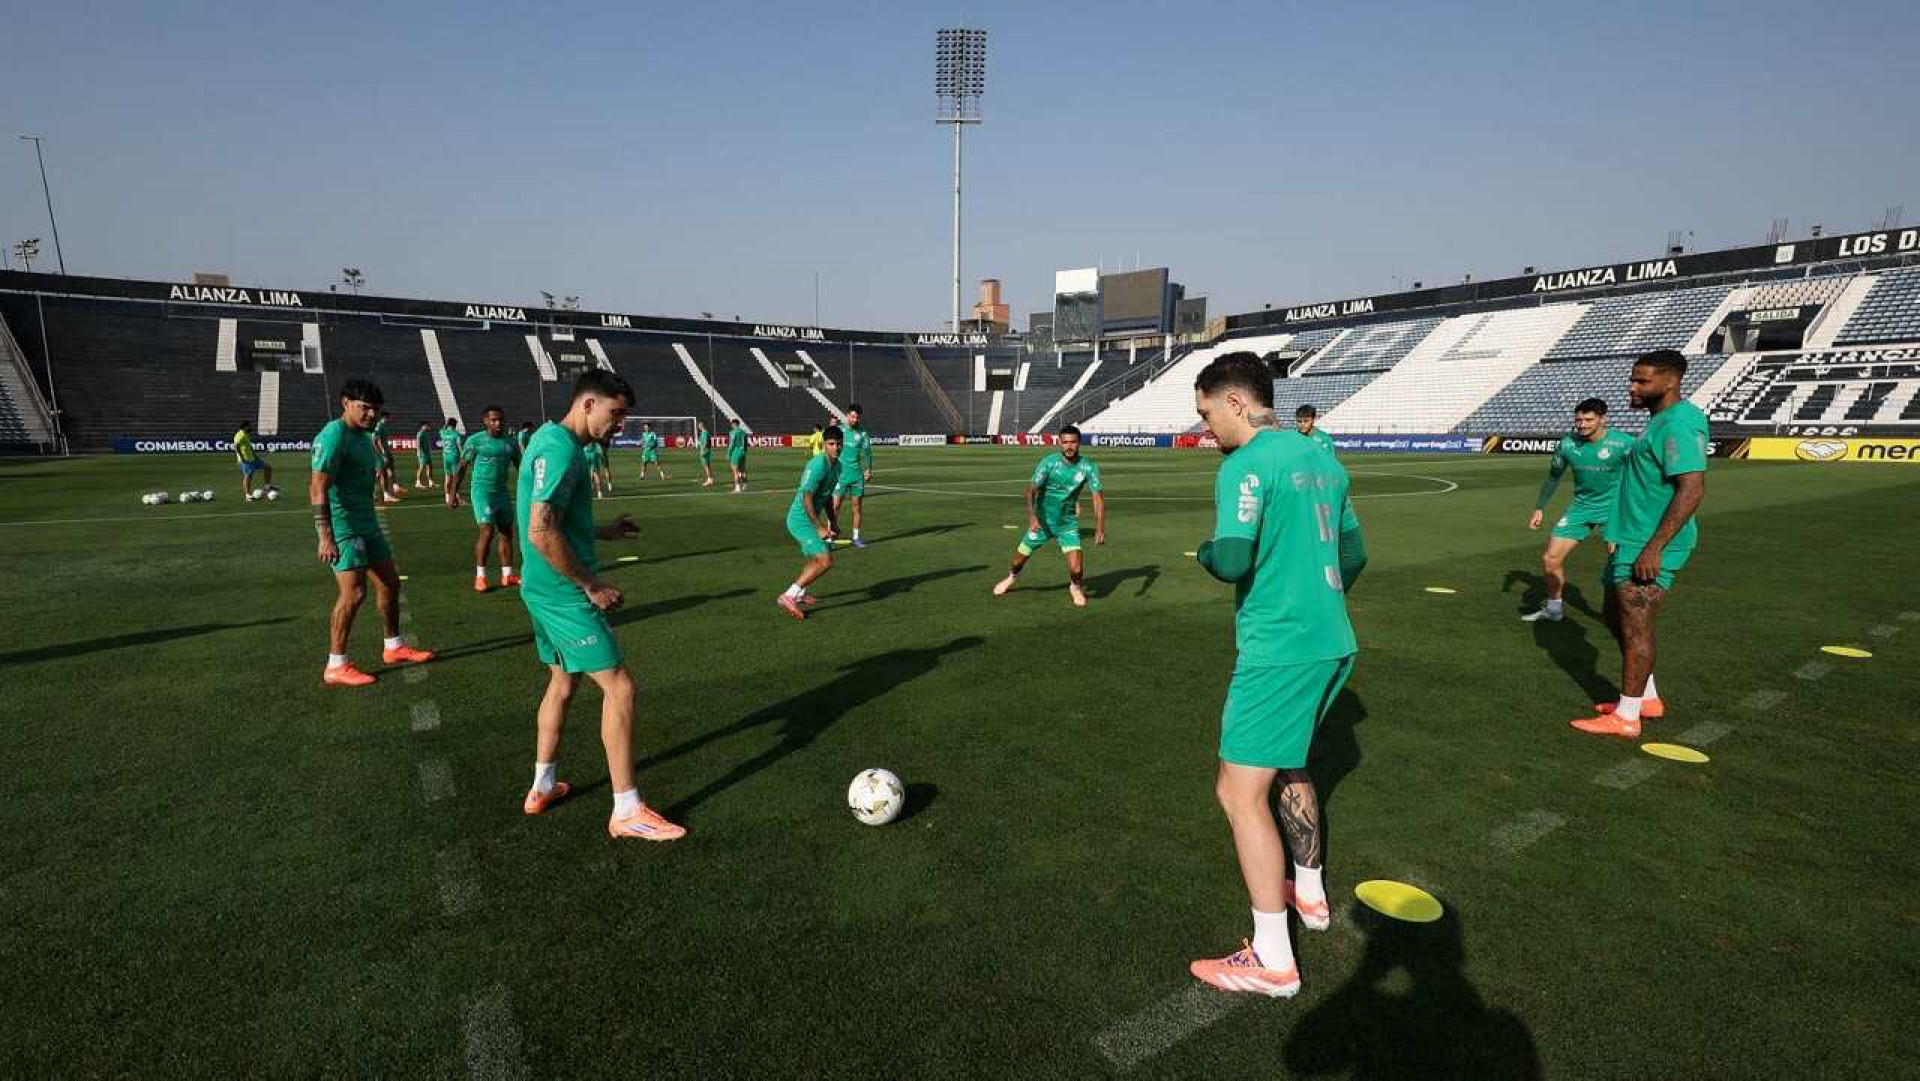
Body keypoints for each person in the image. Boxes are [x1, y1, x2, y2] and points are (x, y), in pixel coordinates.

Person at [1185, 352, 1366, 999]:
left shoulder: (1247, 462)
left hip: (1280, 647)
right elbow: (1355, 553)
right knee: (1287, 763)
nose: (1207, 429)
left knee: (1238, 792)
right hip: (1330, 639)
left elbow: (1232, 559)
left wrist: (1207, 552)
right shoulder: (1321, 456)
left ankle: (1273, 957)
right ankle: (1309, 896)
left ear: (1236, 403)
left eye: (1207, 415)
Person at [516, 369, 683, 842]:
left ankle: (541, 787)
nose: (621, 424)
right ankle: (626, 809)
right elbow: (540, 529)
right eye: (617, 413)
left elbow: (557, 523)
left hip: (540, 588)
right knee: (621, 688)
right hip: (563, 594)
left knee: (562, 683)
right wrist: (590, 584)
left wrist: (603, 532)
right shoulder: (559, 449)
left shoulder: (553, 440)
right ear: (588, 404)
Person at [1571, 350, 1708, 738]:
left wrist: (1655, 547)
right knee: (1614, 614)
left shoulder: (1679, 423)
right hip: (1630, 538)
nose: (1632, 388)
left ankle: (1627, 717)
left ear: (1671, 382)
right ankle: (1645, 697)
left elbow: (1692, 487)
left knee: (1636, 626)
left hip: (1649, 543)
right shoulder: (1659, 421)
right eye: (1633, 379)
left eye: (1641, 381)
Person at [309, 380, 436, 687]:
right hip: (344, 526)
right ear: (345, 403)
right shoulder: (333, 436)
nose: (370, 415)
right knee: (353, 593)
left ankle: (393, 647)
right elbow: (317, 488)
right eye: (364, 407)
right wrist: (325, 534)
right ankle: (336, 665)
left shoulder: (363, 436)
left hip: (367, 523)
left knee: (390, 584)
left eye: (375, 409)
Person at [1520, 399, 1635, 622]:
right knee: (1550, 559)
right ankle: (1554, 609)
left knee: (1618, 564)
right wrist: (1539, 508)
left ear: (1603, 419)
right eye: (1578, 420)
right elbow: (1553, 477)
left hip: (1615, 508)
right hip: (1582, 507)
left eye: (1588, 420)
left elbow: (1643, 477)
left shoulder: (1624, 444)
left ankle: (1620, 615)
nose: (1581, 425)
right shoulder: (1567, 445)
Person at [992, 425, 1107, 607]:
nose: (1069, 446)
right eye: (1065, 442)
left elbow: (1098, 499)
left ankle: (1075, 587)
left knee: (1077, 570)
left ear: (1079, 443)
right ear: (1059, 443)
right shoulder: (1048, 463)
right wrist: (1032, 517)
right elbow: (1030, 491)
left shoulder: (1088, 467)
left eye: (1073, 442)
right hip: (1042, 523)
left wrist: (1100, 528)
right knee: (1017, 561)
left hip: (1066, 524)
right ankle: (1011, 578)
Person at [448, 405, 523, 593]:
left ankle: (508, 575)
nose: (498, 423)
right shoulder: (475, 441)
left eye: (500, 420)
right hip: (482, 492)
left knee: (506, 532)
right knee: (487, 531)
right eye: (494, 420)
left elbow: (522, 468)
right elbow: (461, 468)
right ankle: (480, 577)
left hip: (502, 493)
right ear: (485, 421)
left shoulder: (510, 442)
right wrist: (452, 494)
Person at [776, 426, 843, 620]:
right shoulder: (818, 465)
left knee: (816, 559)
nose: (836, 448)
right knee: (825, 560)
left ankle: (801, 593)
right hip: (800, 520)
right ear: (824, 445)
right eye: (831, 444)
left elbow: (828, 496)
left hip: (810, 519)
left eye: (839, 444)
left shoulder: (838, 467)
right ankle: (788, 596)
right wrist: (819, 527)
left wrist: (833, 522)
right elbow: (807, 498)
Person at [832, 404, 875, 548]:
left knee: (856, 508)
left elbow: (867, 452)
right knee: (835, 506)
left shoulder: (863, 433)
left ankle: (856, 538)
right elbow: (830, 449)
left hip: (857, 476)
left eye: (857, 417)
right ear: (847, 415)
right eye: (852, 416)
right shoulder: (840, 431)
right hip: (840, 475)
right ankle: (829, 537)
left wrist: (868, 469)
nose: (855, 419)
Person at [233, 420, 273, 500]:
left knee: (268, 468)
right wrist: (242, 458)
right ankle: (248, 495)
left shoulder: (246, 434)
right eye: (250, 425)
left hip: (252, 458)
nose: (251, 427)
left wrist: (256, 456)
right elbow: (236, 446)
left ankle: (267, 487)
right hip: (246, 460)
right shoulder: (240, 435)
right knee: (248, 476)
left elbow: (249, 448)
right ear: (245, 426)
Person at [372, 410, 403, 502]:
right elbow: (375, 440)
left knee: (381, 473)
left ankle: (380, 493)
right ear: (384, 417)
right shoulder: (379, 426)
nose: (388, 420)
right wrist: (382, 453)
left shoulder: (382, 426)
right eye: (387, 418)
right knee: (382, 474)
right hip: (380, 454)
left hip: (382, 453)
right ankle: (382, 495)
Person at [439, 418, 464, 496]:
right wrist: (463, 457)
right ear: (455, 425)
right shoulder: (456, 434)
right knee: (456, 478)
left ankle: (447, 496)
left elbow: (441, 429)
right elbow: (459, 446)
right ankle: (457, 497)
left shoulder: (443, 432)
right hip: (454, 457)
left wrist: (446, 424)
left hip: (445, 457)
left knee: (447, 477)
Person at [727, 418, 750, 492]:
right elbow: (746, 443)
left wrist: (728, 453)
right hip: (742, 452)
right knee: (743, 470)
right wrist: (744, 451)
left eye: (732, 424)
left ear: (734, 424)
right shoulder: (743, 432)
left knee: (735, 471)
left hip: (735, 452)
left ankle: (737, 488)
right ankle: (745, 485)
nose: (731, 425)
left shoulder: (732, 432)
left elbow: (732, 443)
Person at [413, 419, 437, 489]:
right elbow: (418, 443)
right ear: (423, 426)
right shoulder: (420, 433)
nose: (428, 426)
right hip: (423, 454)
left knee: (429, 467)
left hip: (427, 453)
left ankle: (430, 482)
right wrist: (419, 452)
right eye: (427, 425)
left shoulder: (426, 433)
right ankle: (417, 482)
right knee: (421, 467)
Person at [694, 420, 715, 488]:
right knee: (708, 466)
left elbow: (705, 443)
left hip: (705, 451)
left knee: (706, 466)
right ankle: (711, 480)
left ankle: (709, 480)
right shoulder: (704, 432)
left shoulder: (704, 433)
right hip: (707, 450)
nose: (698, 426)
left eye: (699, 425)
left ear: (702, 425)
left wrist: (703, 451)